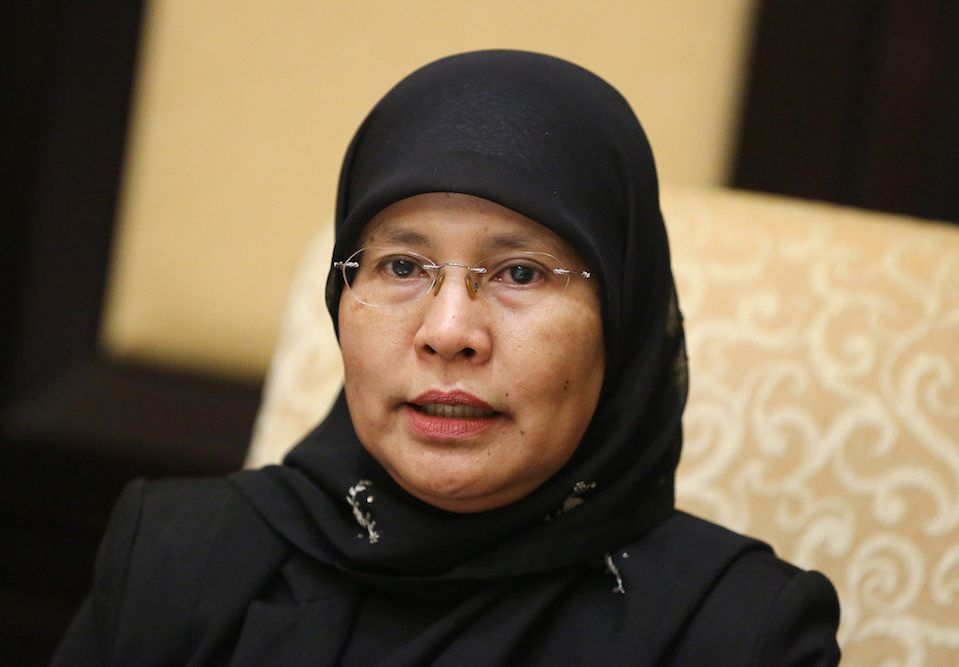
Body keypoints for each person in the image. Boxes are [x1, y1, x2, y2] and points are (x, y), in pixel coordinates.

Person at [53, 50, 840, 665]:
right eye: (400, 266)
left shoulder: (736, 633)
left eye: (521, 272)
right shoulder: (175, 556)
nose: (449, 329)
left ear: (621, 318)